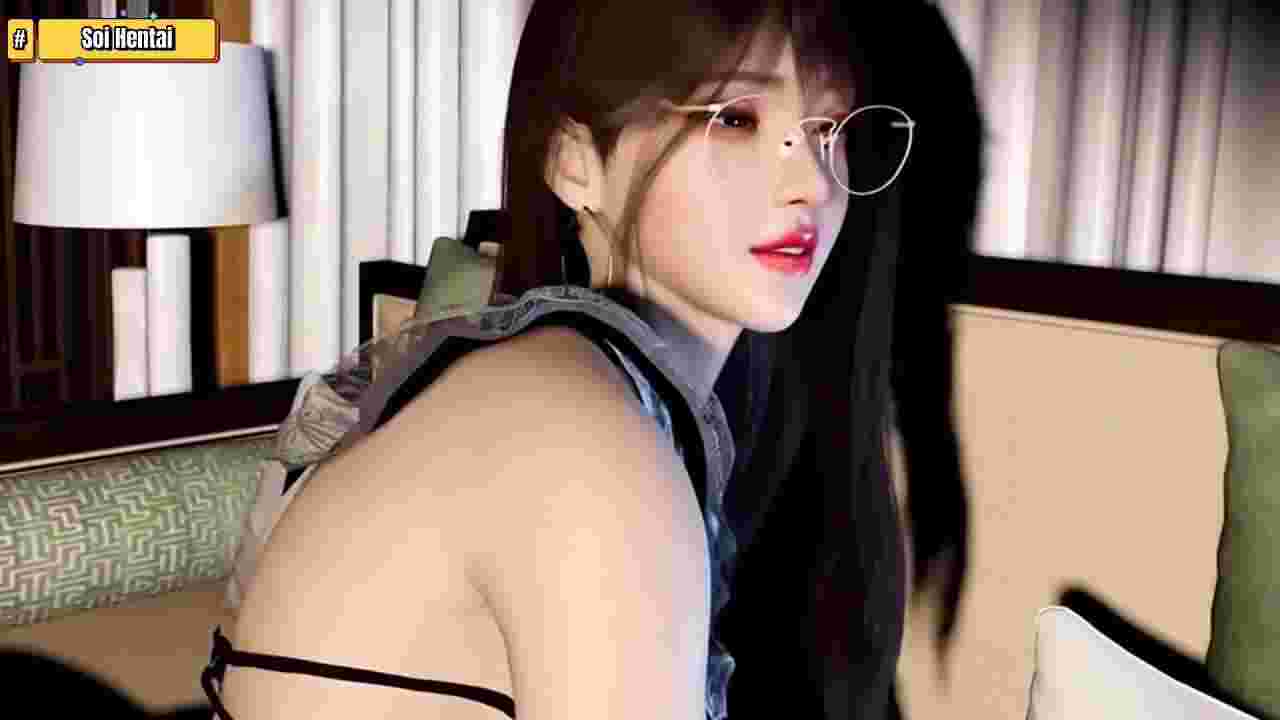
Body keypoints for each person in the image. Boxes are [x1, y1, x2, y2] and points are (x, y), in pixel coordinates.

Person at [202, 1, 978, 719]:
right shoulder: (578, 436)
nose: (811, 181)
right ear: (575, 162)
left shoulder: (586, 390)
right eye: (736, 118)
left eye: (831, 130)